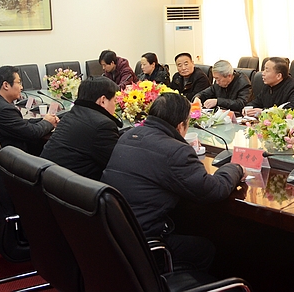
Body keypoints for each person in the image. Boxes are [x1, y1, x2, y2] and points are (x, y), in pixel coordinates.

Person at [101, 93, 245, 271]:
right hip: (142, 244)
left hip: (113, 234)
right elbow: (213, 190)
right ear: (180, 125)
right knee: (205, 249)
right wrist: (235, 168)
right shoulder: (176, 151)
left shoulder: (128, 135)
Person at [41, 76, 122, 180]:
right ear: (103, 101)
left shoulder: (70, 114)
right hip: (70, 185)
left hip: (48, 178)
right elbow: (117, 164)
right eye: (114, 101)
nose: (115, 106)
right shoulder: (103, 125)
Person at [0, 66, 58, 155]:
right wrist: (48, 123)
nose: (21, 87)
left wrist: (43, 120)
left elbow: (20, 124)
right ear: (6, 85)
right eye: (19, 82)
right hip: (8, 158)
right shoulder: (4, 110)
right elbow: (32, 133)